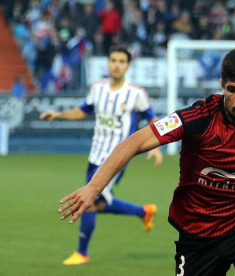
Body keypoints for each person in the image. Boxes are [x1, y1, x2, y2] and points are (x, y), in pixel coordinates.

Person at [58, 48, 235, 276]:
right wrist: (93, 187)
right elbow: (134, 141)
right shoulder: (198, 118)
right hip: (197, 235)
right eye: (232, 89)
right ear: (222, 85)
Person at [41, 45, 163, 265]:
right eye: (113, 60)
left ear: (128, 66)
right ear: (108, 63)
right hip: (94, 155)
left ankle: (82, 253)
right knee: (98, 203)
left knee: (88, 201)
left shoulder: (136, 94)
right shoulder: (97, 88)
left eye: (121, 61)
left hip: (117, 159)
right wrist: (58, 114)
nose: (117, 65)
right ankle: (144, 211)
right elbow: (82, 111)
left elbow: (153, 120)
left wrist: (155, 147)